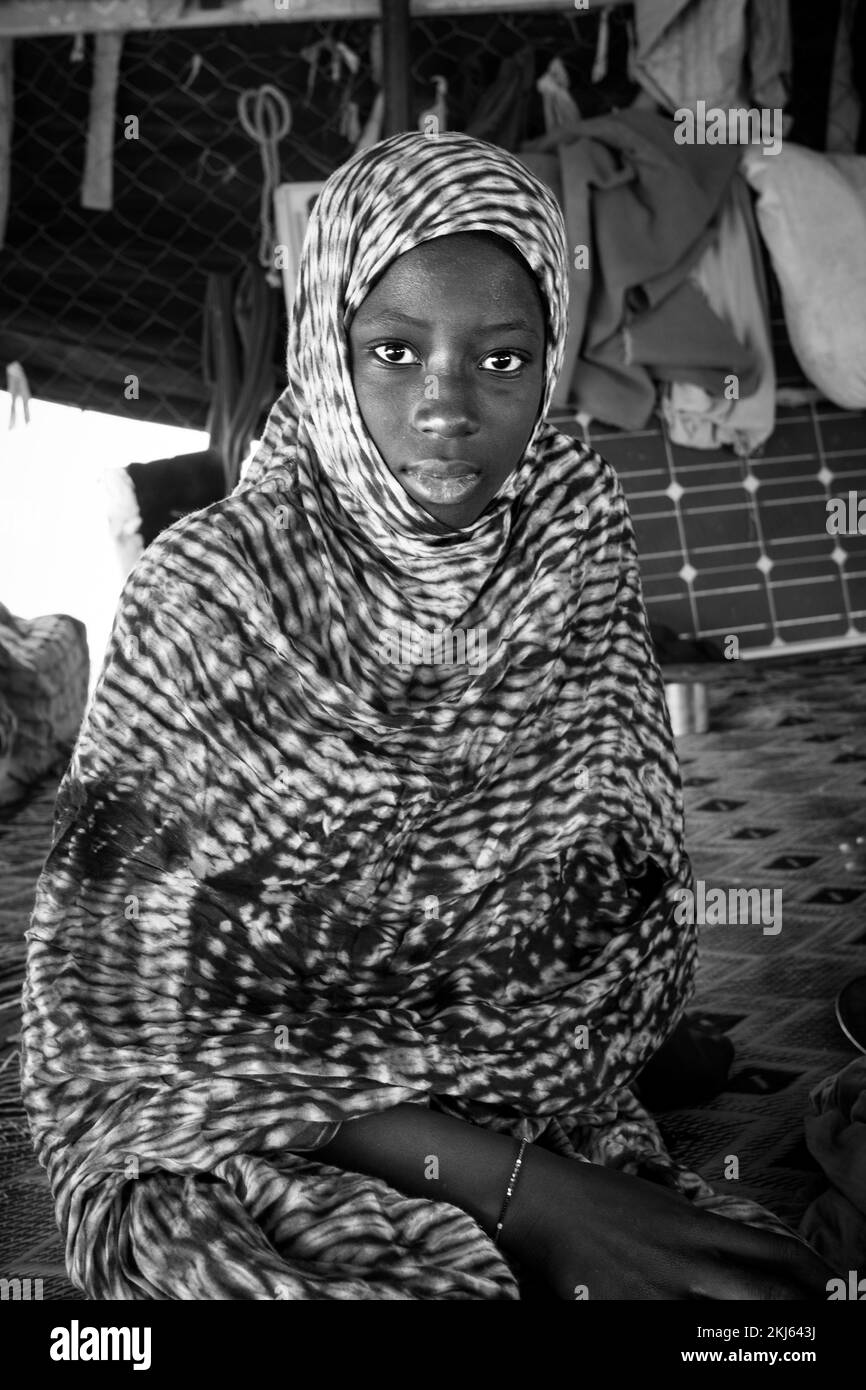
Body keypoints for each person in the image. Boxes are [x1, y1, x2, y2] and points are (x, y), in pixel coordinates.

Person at [20, 130, 832, 1301]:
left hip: (512, 1061)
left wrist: (584, 1050)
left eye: (500, 360)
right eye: (393, 352)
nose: (446, 404)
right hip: (249, 1109)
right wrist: (523, 1188)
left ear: (550, 362)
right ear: (325, 351)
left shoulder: (567, 529)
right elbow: (131, 1033)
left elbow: (605, 847)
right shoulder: (208, 591)